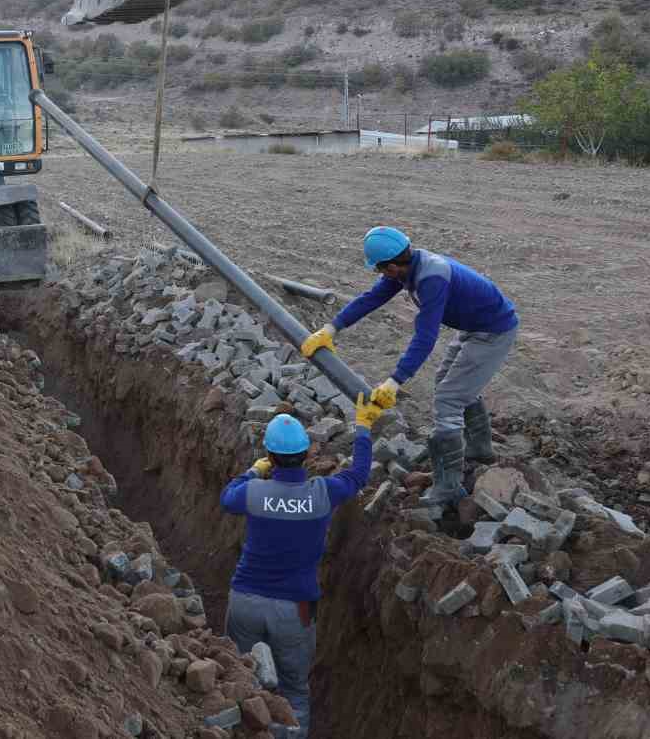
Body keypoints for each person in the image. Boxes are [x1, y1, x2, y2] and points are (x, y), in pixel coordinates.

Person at [299, 226, 519, 506]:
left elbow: (426, 336)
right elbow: (371, 298)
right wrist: (331, 328)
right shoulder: (407, 267)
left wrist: (394, 381)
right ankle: (479, 448)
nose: (381, 276)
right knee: (448, 384)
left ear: (391, 266)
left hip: (493, 331)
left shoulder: (431, 277)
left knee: (449, 398)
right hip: (474, 326)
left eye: (380, 270)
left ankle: (449, 487)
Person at [220, 401, 382, 738]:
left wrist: (254, 470)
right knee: (294, 691)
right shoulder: (322, 493)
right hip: (296, 609)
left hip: (245, 600)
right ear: (307, 455)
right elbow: (358, 475)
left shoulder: (254, 492)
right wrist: (364, 428)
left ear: (270, 455)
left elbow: (227, 497)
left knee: (239, 677)